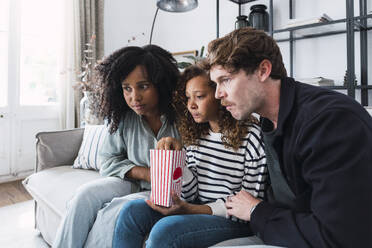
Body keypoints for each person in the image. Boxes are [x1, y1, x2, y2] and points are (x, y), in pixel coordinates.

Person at [206, 27, 372, 247]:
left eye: (225, 80)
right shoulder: (267, 120)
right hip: (289, 228)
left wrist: (257, 211)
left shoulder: (329, 122)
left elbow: (338, 236)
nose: (218, 94)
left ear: (263, 70)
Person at [112, 62, 268, 248]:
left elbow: (248, 205)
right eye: (188, 98)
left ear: (220, 94)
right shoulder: (197, 135)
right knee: (131, 211)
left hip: (234, 220)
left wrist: (191, 210)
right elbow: (190, 192)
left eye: (200, 97)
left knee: (166, 230)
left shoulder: (251, 136)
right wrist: (180, 162)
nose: (191, 105)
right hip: (196, 209)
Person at [53, 45, 180, 248]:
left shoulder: (184, 117)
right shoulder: (125, 119)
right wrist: (146, 173)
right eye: (126, 88)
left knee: (115, 210)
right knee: (84, 195)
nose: (134, 97)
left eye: (143, 86)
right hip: (135, 182)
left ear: (161, 84)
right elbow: (108, 159)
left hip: (168, 191)